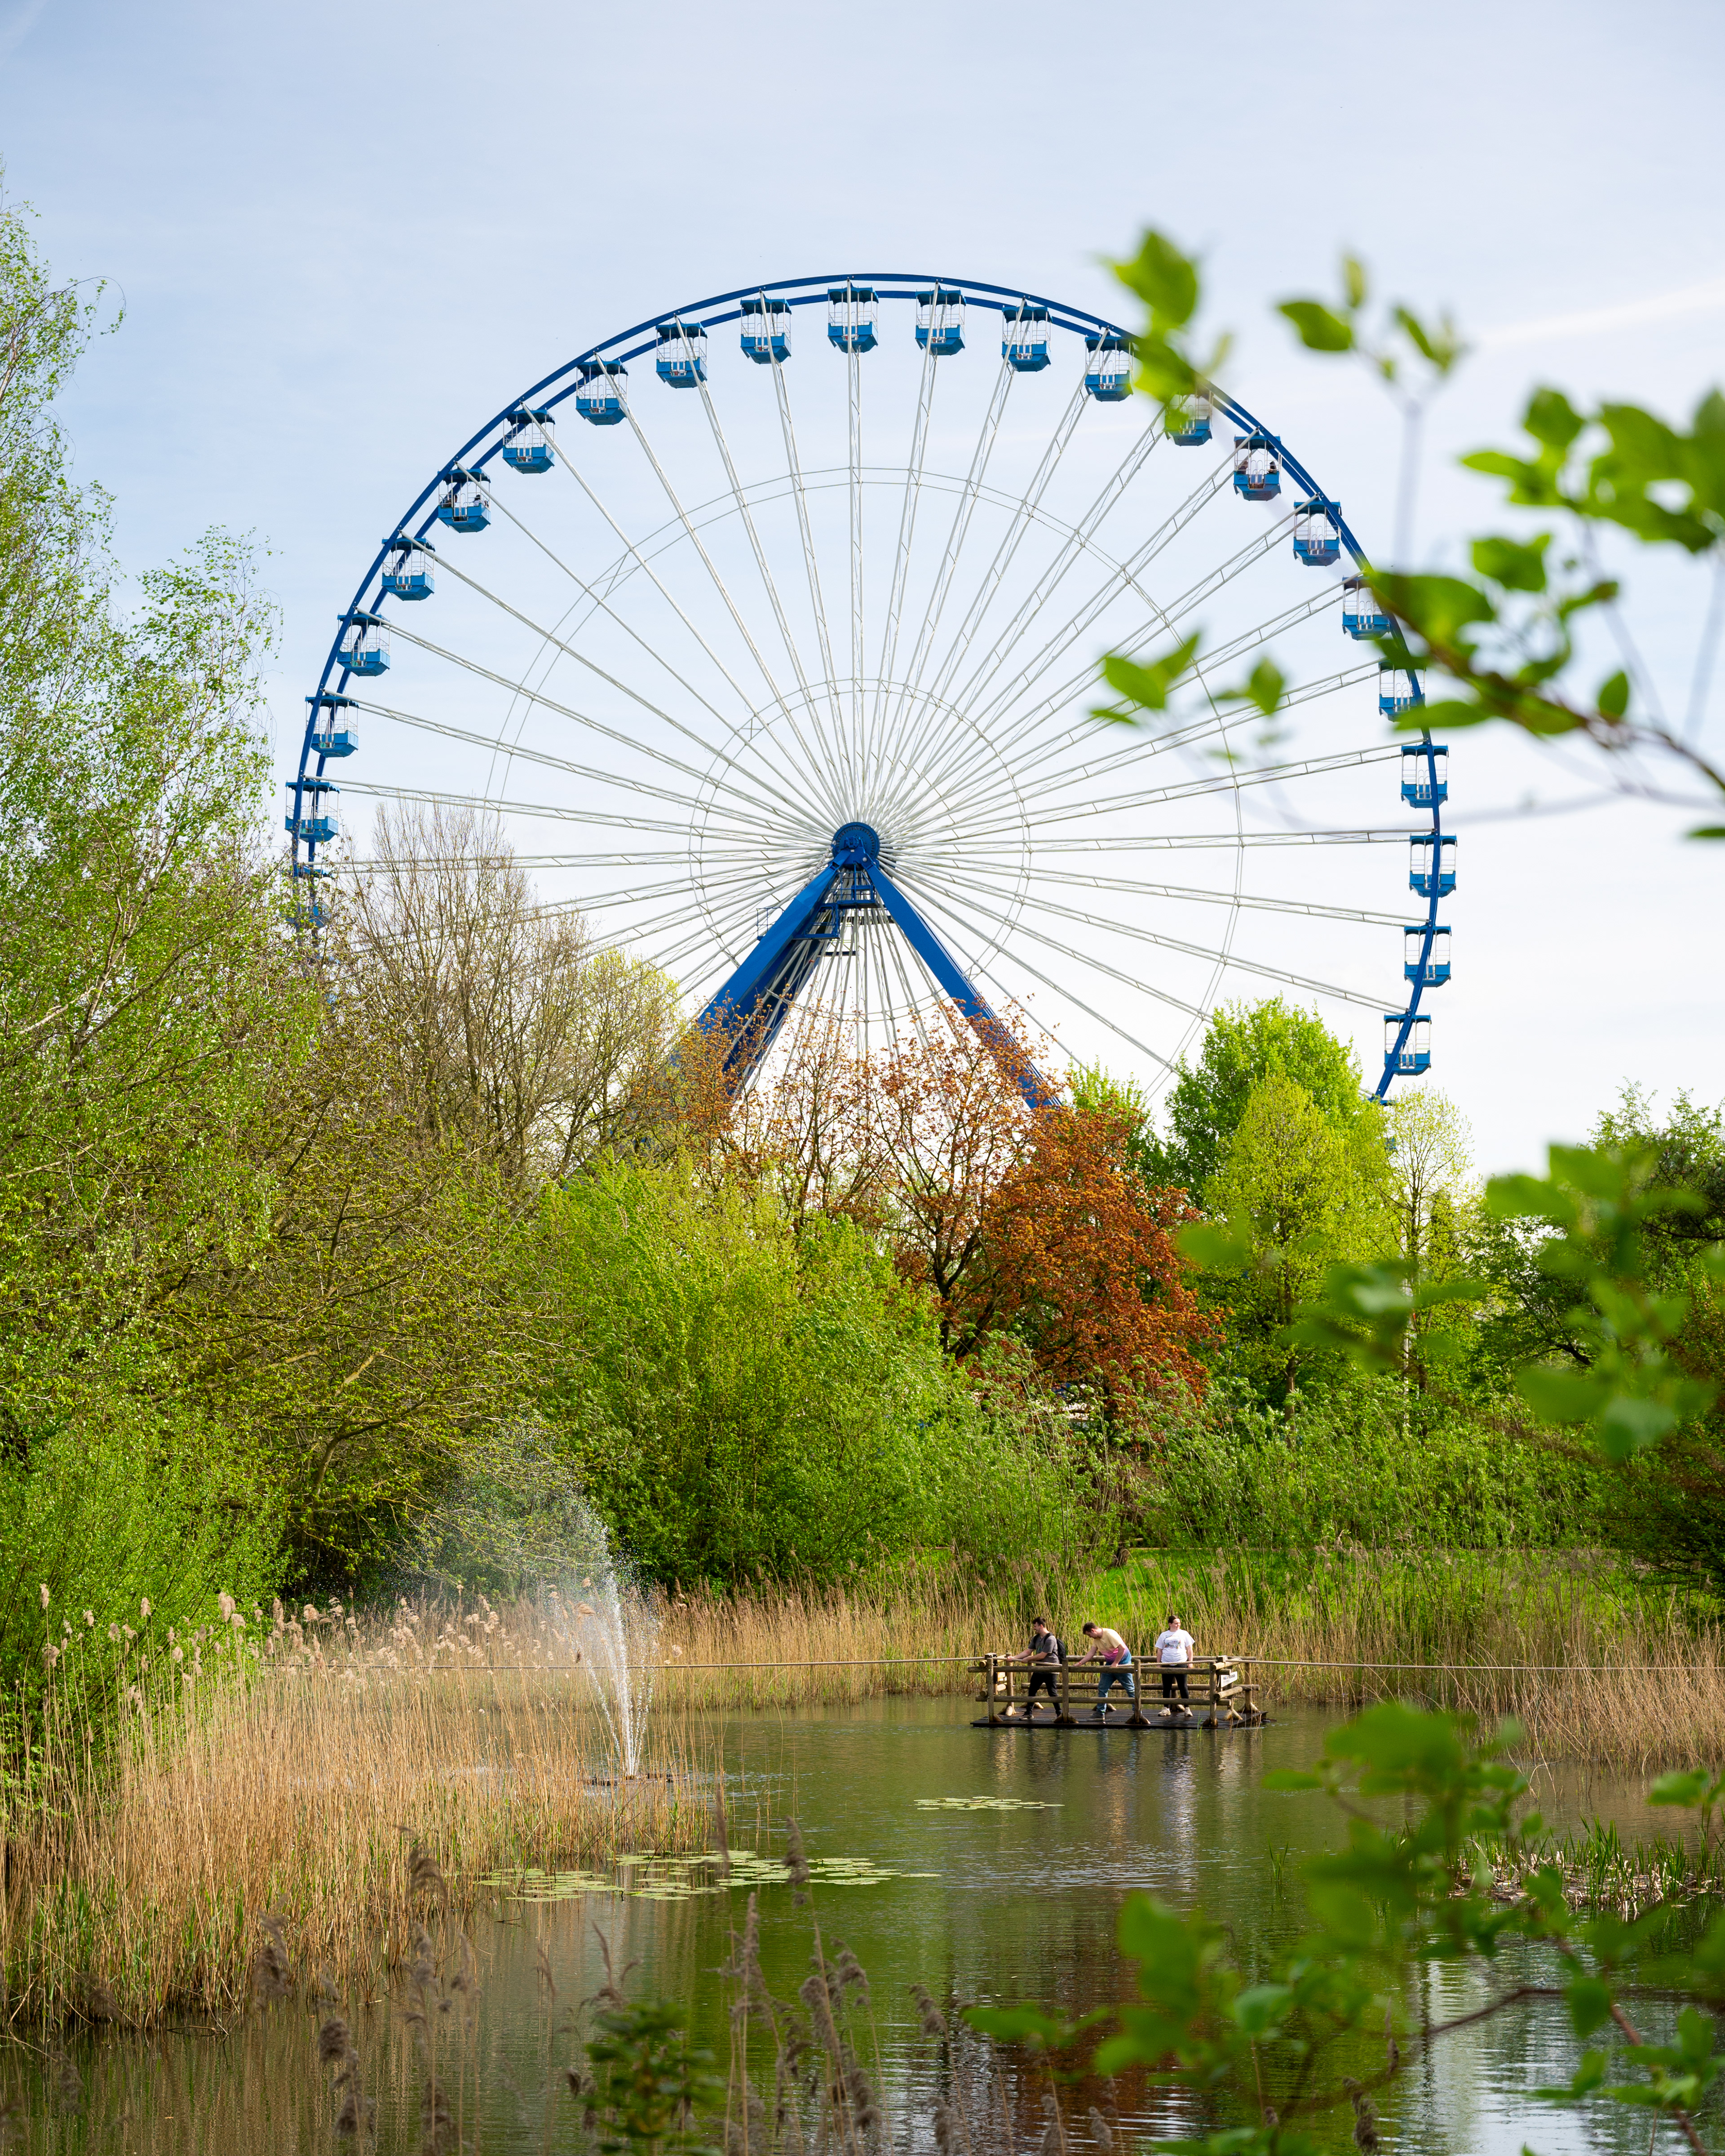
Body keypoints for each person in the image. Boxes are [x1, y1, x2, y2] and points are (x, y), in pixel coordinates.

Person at [1005, 1616, 1066, 1718]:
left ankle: (1059, 1713)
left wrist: (1029, 1659)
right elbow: (1028, 1651)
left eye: (1035, 1626)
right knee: (1032, 1690)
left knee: (1052, 1693)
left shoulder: (1051, 1639)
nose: (1034, 1628)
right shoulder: (1036, 1638)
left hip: (1051, 1669)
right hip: (1039, 1669)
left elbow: (1042, 1655)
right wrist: (1014, 1658)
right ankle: (1029, 1713)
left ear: (1041, 1626)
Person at [1078, 1621, 1135, 1717]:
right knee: (1102, 1688)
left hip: (1123, 1663)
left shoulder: (1110, 1634)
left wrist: (1116, 1663)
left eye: (1089, 1635)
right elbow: (1091, 1653)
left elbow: (1122, 1649)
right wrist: (1080, 1663)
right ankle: (1100, 1712)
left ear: (1093, 1630)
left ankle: (1137, 1712)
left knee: (1130, 1689)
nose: (1090, 1637)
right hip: (1110, 1665)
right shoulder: (1097, 1640)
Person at [1153, 1612, 1196, 1710]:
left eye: (1179, 1623)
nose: (1178, 1625)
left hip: (1181, 1662)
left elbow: (1190, 1649)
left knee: (1183, 1686)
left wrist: (1190, 1662)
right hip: (1166, 1663)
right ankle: (1166, 1708)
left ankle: (1187, 1708)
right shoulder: (1164, 1635)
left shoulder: (1184, 1634)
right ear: (1170, 1624)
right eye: (1176, 1623)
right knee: (1166, 1687)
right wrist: (1159, 1664)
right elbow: (1160, 1650)